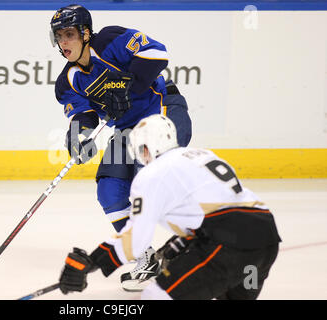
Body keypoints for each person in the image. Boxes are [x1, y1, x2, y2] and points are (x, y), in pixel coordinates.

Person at [57, 114, 282, 300]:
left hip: (228, 245)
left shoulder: (152, 174)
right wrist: (183, 240)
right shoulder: (201, 155)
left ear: (144, 148)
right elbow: (216, 210)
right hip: (266, 241)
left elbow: (136, 241)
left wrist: (92, 262)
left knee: (157, 296)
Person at [50, 4, 192, 291]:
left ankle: (196, 244)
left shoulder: (110, 40)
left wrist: (127, 88)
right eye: (59, 36)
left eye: (69, 34)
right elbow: (83, 114)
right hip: (127, 129)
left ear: (86, 33)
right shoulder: (67, 82)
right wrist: (79, 136)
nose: (64, 42)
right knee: (109, 190)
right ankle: (147, 257)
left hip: (162, 112)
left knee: (148, 183)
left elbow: (156, 53)